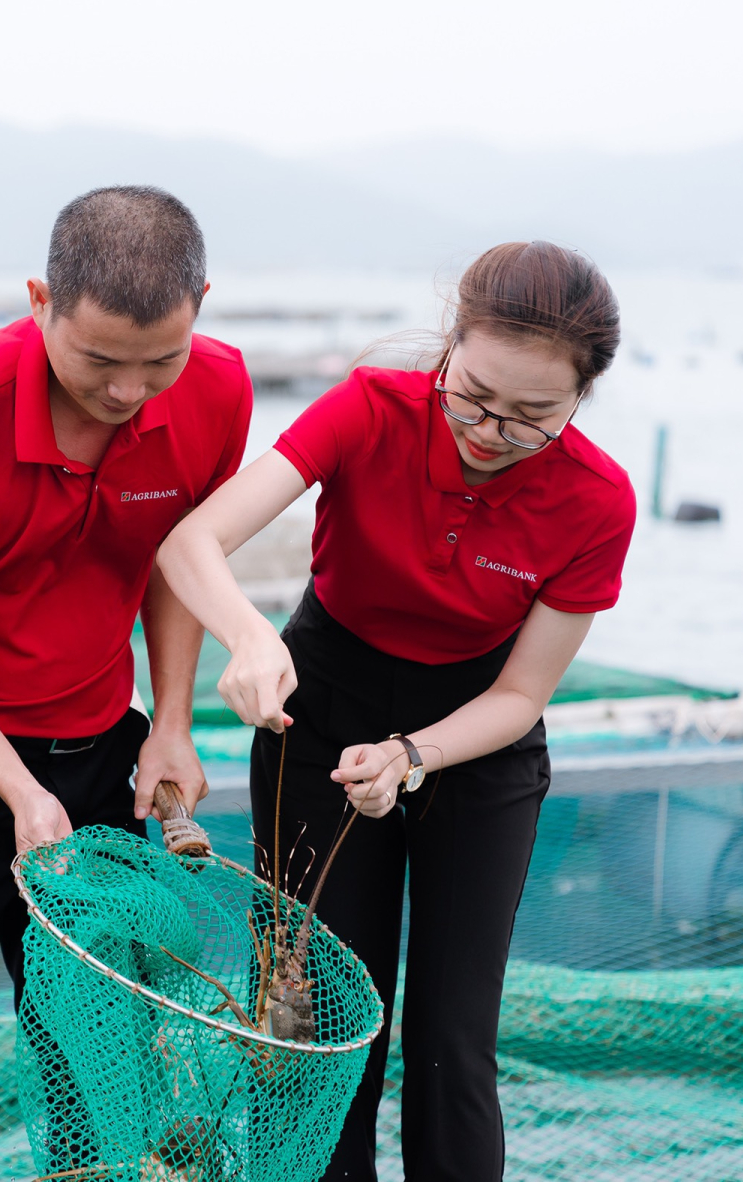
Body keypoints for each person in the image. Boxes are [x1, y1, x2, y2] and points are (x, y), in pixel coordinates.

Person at [157, 242, 635, 1181]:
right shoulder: (371, 407)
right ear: (449, 348)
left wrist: (412, 755)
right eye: (474, 394)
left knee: (455, 1039)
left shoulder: (598, 500)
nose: (492, 429)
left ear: (581, 398)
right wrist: (253, 639)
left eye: (533, 415)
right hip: (321, 709)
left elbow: (522, 695)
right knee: (319, 1028)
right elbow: (192, 541)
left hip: (474, 738)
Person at [0, 186, 253, 1179]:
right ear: (40, 301)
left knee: (102, 1065)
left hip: (96, 755)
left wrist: (169, 721)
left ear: (201, 303)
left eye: (159, 360)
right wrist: (17, 788)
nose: (128, 392)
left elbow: (177, 558)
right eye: (99, 361)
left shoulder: (216, 390)